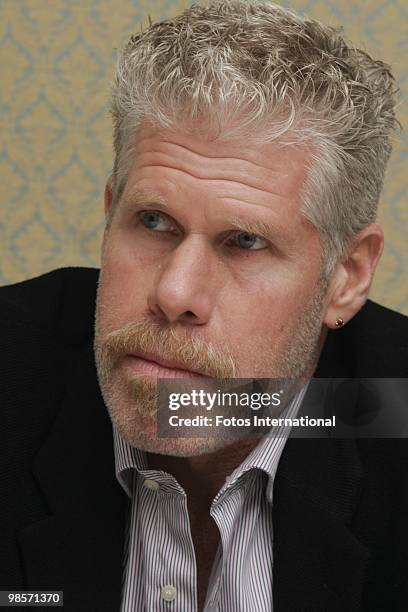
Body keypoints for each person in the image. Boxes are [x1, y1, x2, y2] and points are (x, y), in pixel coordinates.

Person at [1, 1, 407, 610]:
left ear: (345, 277)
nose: (173, 294)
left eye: (245, 241)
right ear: (111, 210)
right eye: (154, 221)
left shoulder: (384, 409)